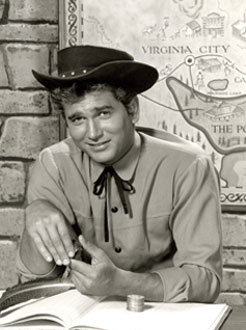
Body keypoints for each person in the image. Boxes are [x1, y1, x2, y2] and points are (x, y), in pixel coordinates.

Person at [17, 45, 222, 303]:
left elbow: (206, 282)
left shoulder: (189, 166)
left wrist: (122, 283)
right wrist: (35, 212)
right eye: (78, 119)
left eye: (103, 113)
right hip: (82, 320)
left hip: (165, 318)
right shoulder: (53, 165)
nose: (92, 133)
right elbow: (35, 285)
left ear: (132, 110)